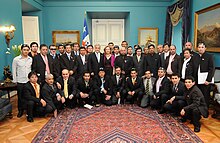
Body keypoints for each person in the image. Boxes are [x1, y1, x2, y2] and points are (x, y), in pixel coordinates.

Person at [12, 44, 32, 118]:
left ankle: (28, 109)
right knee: (20, 97)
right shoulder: (16, 59)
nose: (26, 51)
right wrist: (15, 81)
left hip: (28, 81)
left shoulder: (30, 59)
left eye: (27, 50)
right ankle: (20, 110)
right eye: (24, 50)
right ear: (21, 50)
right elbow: (14, 71)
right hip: (20, 81)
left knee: (28, 96)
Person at [193, 43, 215, 107]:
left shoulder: (209, 56)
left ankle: (205, 110)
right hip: (196, 80)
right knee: (197, 95)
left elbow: (212, 68)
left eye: (202, 47)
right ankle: (197, 109)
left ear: (205, 48)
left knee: (205, 96)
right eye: (199, 47)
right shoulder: (195, 56)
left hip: (205, 81)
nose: (201, 49)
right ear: (197, 48)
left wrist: (208, 80)